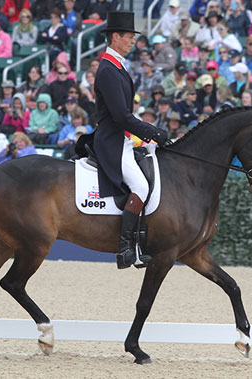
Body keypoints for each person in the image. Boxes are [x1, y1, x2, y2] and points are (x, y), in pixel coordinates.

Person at [95, 12, 168, 269]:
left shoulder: (117, 66)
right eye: (128, 37)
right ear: (115, 37)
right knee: (140, 187)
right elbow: (120, 116)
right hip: (112, 142)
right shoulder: (107, 69)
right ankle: (125, 248)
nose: (132, 42)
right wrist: (153, 132)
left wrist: (147, 135)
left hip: (124, 138)